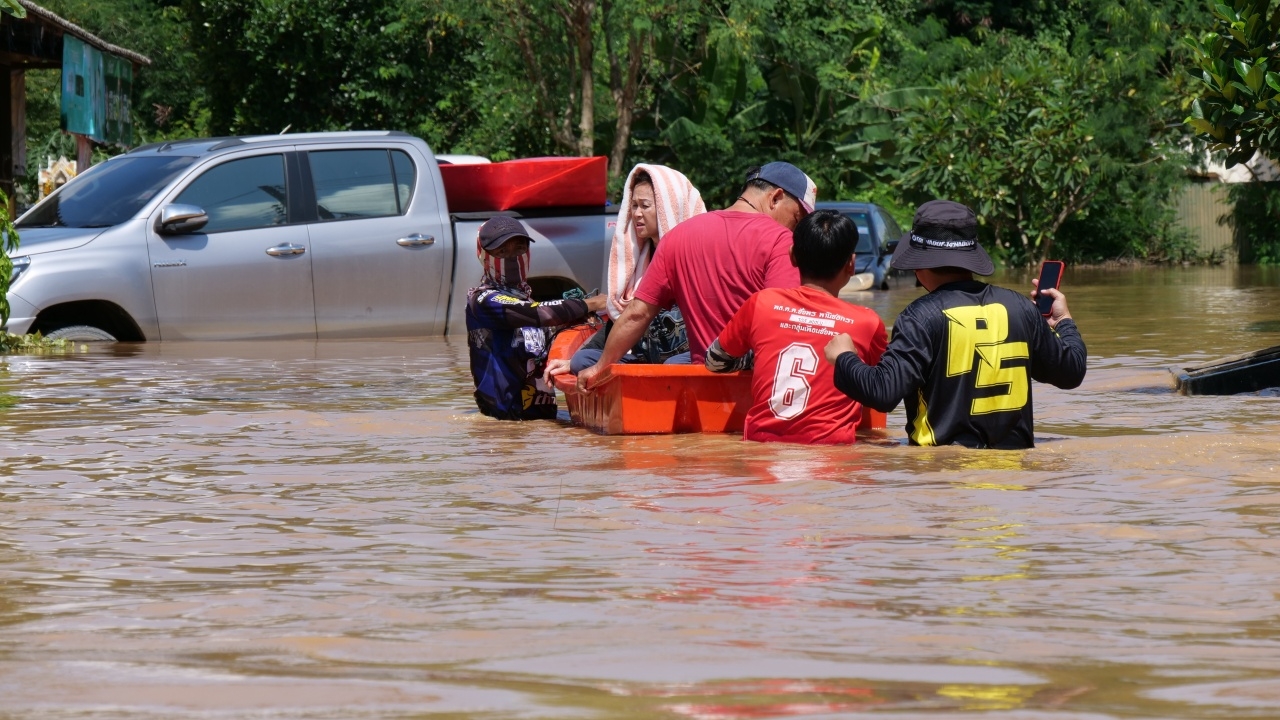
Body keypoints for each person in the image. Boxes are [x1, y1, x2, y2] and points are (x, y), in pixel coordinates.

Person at [822, 200, 1087, 449]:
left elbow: (882, 392)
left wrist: (844, 357)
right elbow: (1072, 372)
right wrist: (1063, 321)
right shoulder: (1022, 309)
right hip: (1012, 483)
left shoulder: (919, 317)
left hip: (941, 477)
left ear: (919, 266)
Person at [575, 161, 817, 392]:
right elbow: (785, 323)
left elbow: (637, 313)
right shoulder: (780, 241)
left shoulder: (677, 238)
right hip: (754, 384)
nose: (796, 229)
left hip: (700, 381)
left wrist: (599, 367)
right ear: (775, 198)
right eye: (796, 219)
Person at [705, 209, 888, 444]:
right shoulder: (867, 322)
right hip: (834, 462)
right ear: (851, 265)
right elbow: (882, 388)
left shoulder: (761, 303)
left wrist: (756, 359)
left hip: (760, 452)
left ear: (792, 256)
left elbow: (714, 361)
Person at [553, 164, 706, 376]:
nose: (637, 214)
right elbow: (624, 319)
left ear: (671, 207)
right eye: (633, 205)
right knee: (583, 360)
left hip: (690, 357)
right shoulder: (638, 263)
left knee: (674, 367)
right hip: (649, 359)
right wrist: (570, 362)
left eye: (645, 206)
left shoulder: (697, 256)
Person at [466, 216, 606, 420]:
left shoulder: (526, 299)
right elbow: (537, 312)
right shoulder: (482, 301)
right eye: (502, 251)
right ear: (483, 256)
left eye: (519, 249)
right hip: (502, 428)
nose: (512, 258)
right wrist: (592, 303)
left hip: (539, 427)